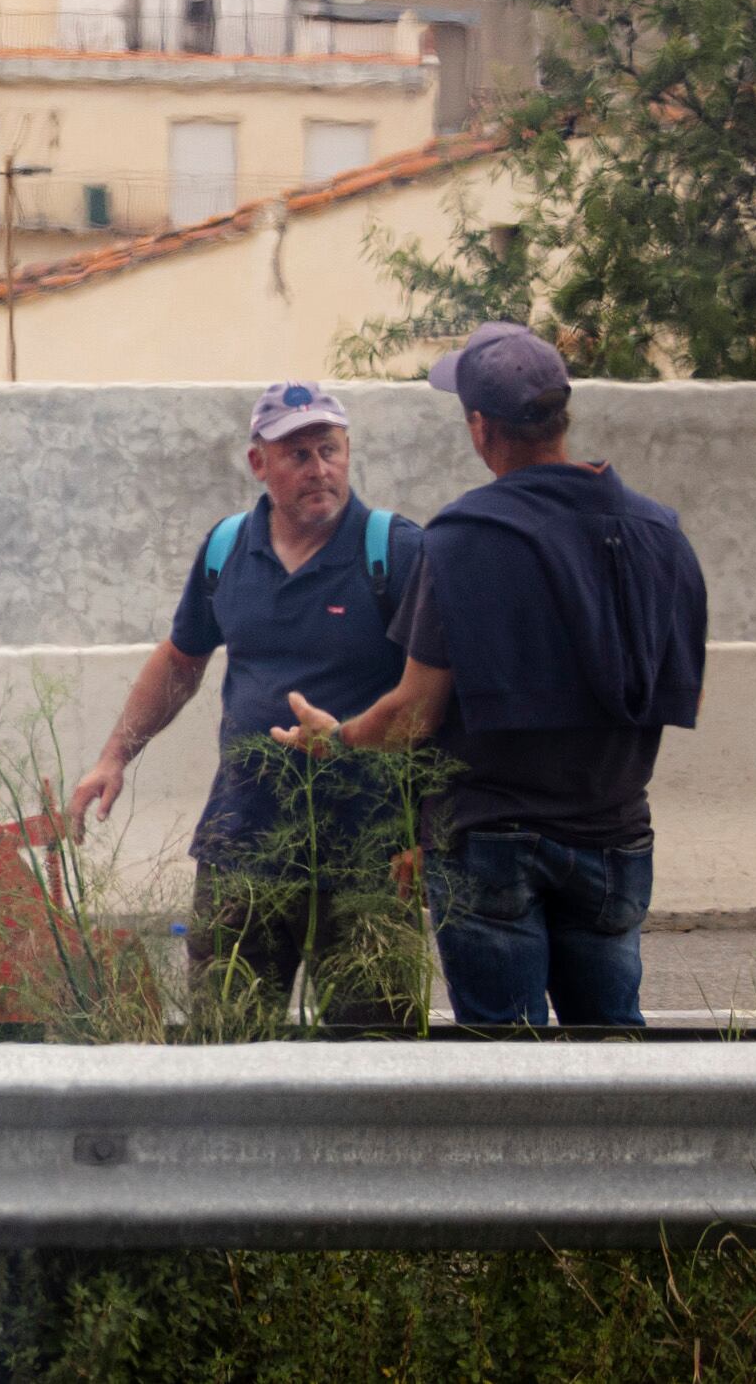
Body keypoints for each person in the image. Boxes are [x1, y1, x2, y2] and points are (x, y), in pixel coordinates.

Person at [277, 323, 709, 1028]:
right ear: (561, 415)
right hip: (618, 834)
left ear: (482, 428)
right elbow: (678, 689)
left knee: (504, 1062)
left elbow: (414, 712)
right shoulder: (662, 534)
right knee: (613, 1056)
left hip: (493, 841)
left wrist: (341, 734)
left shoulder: (462, 540)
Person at [68, 381, 425, 1028]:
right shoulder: (227, 548)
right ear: (258, 463)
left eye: (330, 448)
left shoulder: (394, 550)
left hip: (366, 857)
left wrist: (427, 830)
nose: (319, 468)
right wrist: (114, 754)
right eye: (297, 454)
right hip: (242, 850)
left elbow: (437, 696)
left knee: (377, 1064)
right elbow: (181, 660)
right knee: (225, 1049)